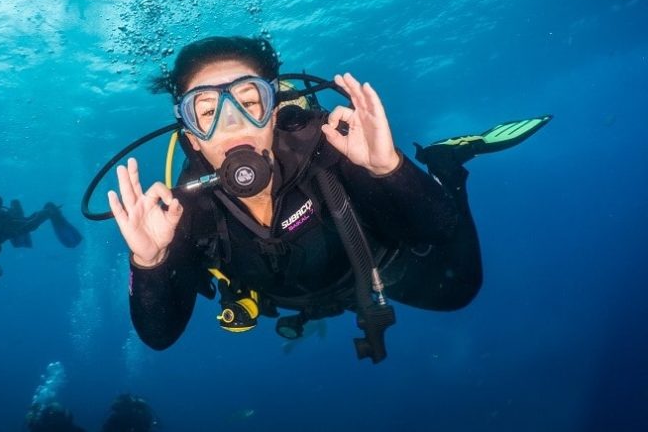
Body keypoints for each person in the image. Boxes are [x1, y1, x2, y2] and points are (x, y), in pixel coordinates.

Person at [106, 36, 551, 362]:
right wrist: (150, 263)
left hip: (372, 266)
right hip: (283, 299)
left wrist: (390, 170)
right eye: (206, 111)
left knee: (459, 290)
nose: (232, 124)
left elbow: (437, 230)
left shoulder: (328, 147)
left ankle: (444, 166)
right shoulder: (183, 210)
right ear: (192, 139)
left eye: (250, 101)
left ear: (275, 110)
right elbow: (159, 337)